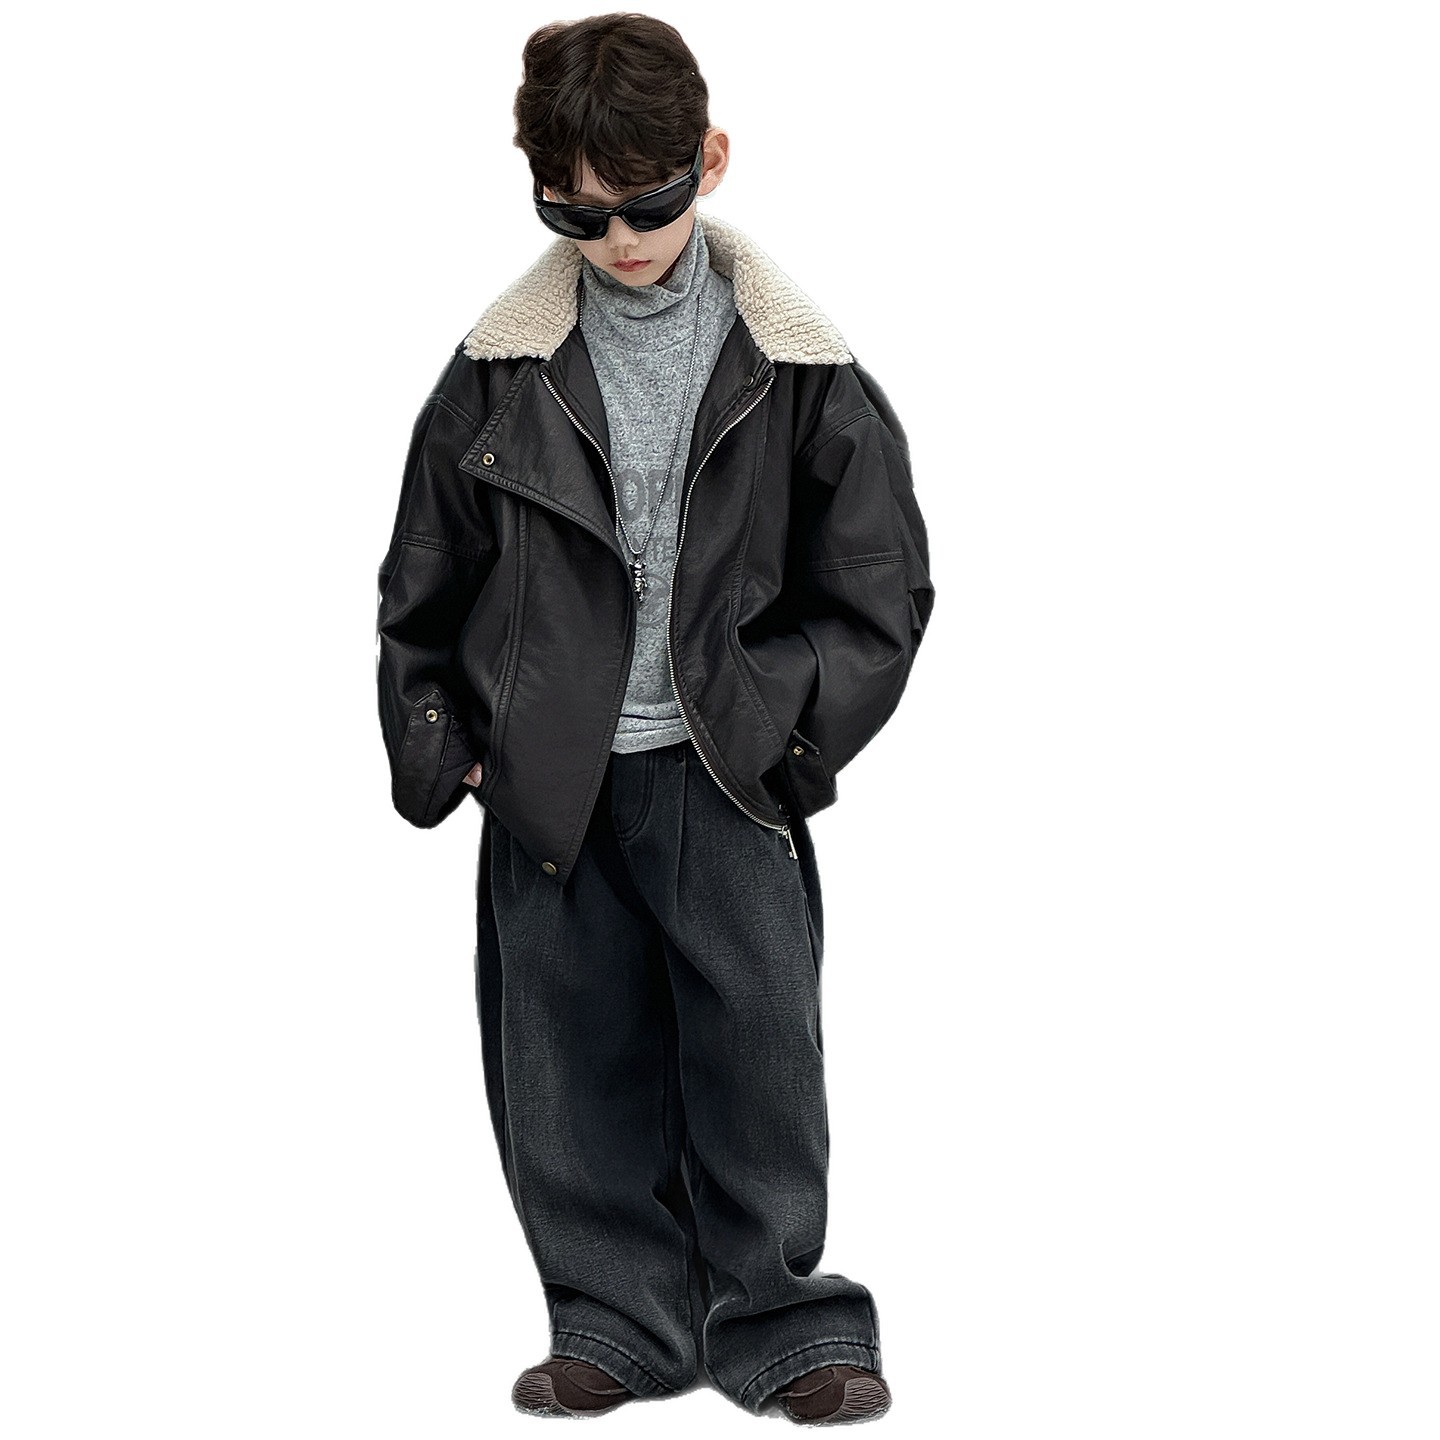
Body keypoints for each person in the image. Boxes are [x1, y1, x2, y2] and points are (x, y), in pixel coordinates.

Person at [374, 12, 935, 1425]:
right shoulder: (497, 369)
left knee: (759, 1052)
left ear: (712, 159)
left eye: (648, 200)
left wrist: (783, 731)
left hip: (723, 769)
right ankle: (615, 1322)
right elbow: (424, 574)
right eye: (577, 211)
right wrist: (451, 746)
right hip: (552, 783)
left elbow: (879, 580)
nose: (620, 237)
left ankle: (784, 1324)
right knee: (568, 1059)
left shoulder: (797, 365)